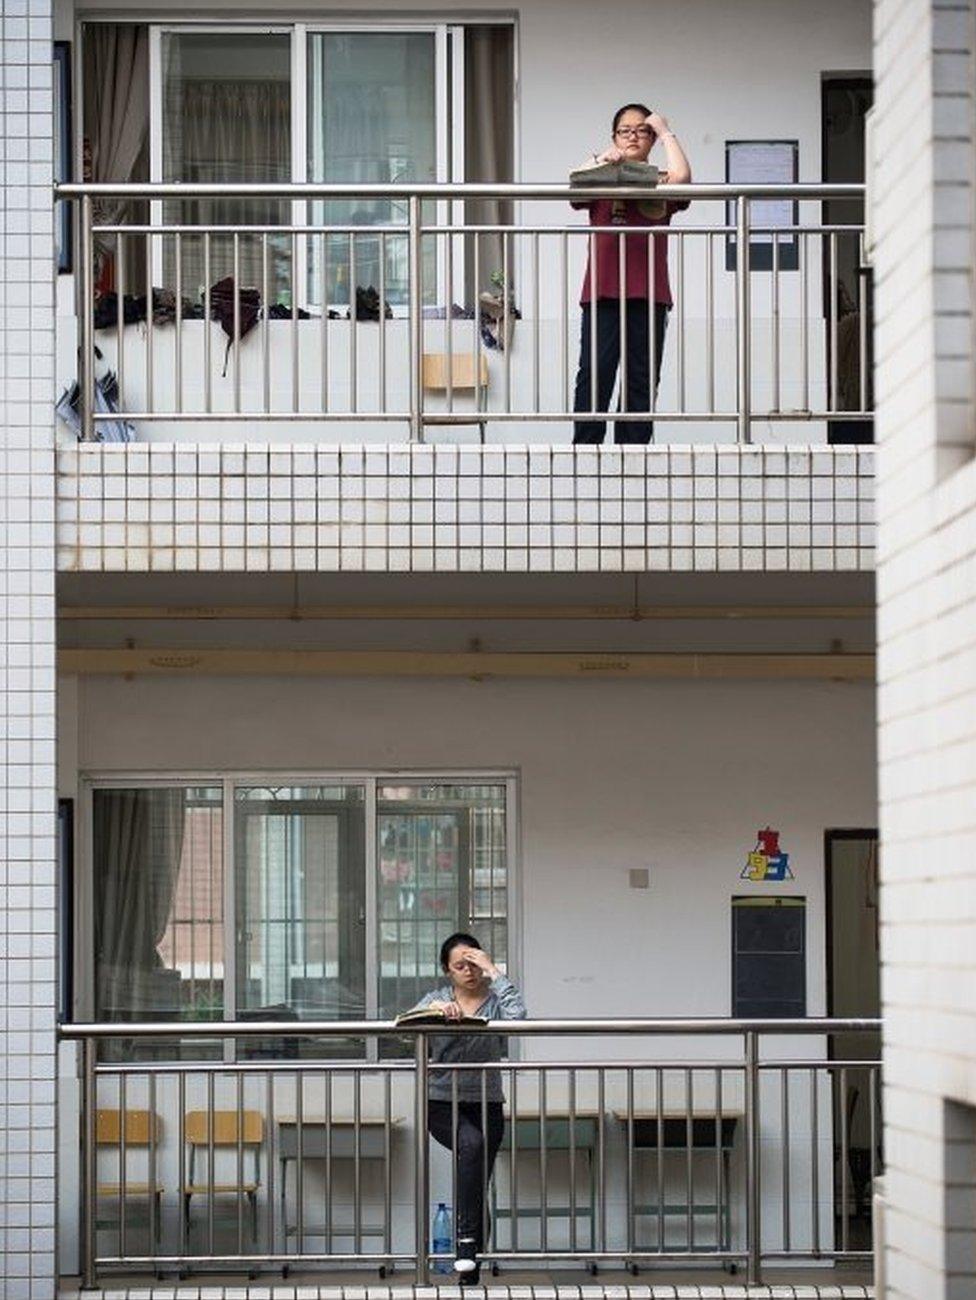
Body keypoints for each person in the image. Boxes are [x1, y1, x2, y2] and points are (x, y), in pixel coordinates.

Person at [572, 103, 692, 444]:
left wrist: (666, 130)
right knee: (594, 373)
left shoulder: (662, 182)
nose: (633, 136)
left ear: (652, 139)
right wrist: (602, 160)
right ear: (614, 137)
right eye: (625, 130)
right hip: (602, 293)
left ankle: (634, 454)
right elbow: (573, 184)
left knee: (641, 378)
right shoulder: (600, 177)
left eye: (642, 130)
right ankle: (585, 451)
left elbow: (683, 178)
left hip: (649, 294)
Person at [410, 932, 526, 1283]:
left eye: (473, 964)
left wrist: (494, 969)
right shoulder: (438, 998)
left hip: (487, 1103)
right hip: (443, 1103)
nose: (469, 971)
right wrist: (434, 1012)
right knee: (471, 1145)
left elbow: (519, 1018)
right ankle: (464, 1251)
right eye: (460, 965)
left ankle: (469, 1272)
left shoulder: (494, 1002)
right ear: (447, 969)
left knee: (478, 1182)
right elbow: (406, 1023)